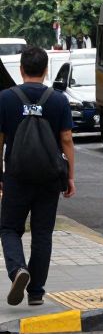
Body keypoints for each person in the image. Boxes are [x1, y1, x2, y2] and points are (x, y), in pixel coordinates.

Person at [0, 46, 75, 307]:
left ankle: (17, 270)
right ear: (45, 71)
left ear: (21, 69)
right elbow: (66, 139)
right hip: (49, 178)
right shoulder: (58, 100)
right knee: (43, 233)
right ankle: (36, 292)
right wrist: (70, 177)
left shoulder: (5, 99)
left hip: (16, 176)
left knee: (9, 228)